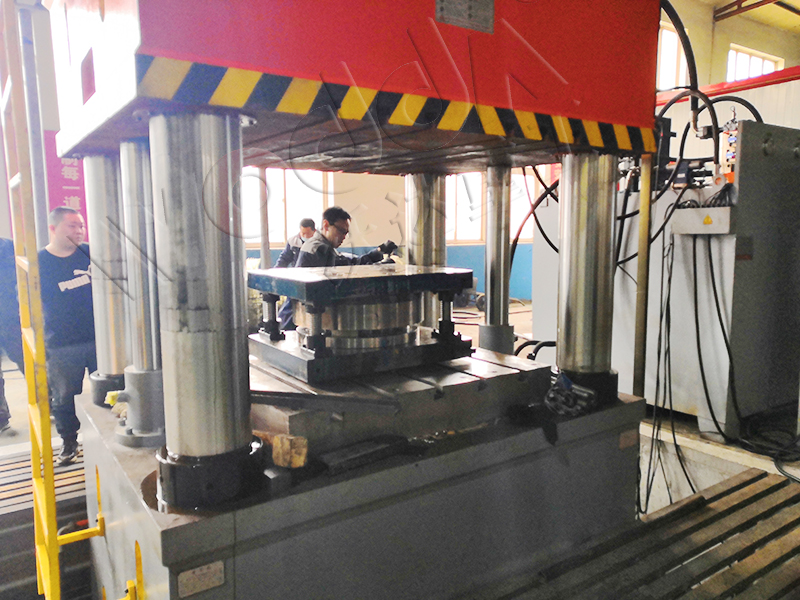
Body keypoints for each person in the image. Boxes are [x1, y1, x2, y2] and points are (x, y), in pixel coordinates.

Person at [39, 207, 96, 466]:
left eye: (81, 225)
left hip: (99, 340)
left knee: (110, 391)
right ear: (53, 228)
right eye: (72, 225)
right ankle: (69, 442)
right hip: (61, 344)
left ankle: (106, 438)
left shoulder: (91, 253)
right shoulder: (40, 262)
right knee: (64, 397)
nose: (79, 231)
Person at [295, 206, 396, 268]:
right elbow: (351, 270)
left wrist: (379, 251)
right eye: (341, 231)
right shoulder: (319, 249)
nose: (344, 237)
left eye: (346, 233)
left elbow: (351, 263)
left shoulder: (319, 245)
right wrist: (382, 267)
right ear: (326, 225)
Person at [0, 237, 24, 437]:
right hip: (10, 315)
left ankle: (48, 401)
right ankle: (1, 419)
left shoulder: (9, 246)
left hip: (11, 317)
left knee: (28, 360)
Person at [274, 218, 315, 328]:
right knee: (290, 308)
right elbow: (284, 259)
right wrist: (276, 273)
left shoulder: (320, 243)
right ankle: (283, 328)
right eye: (302, 233)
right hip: (297, 280)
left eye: (307, 233)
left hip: (314, 281)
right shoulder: (293, 242)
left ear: (314, 231)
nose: (304, 235)